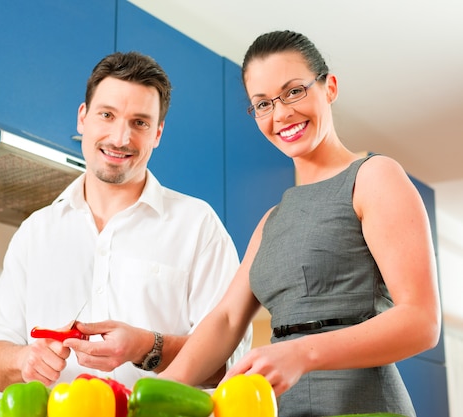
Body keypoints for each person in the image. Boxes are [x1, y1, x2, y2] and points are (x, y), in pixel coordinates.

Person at [158, 30, 441, 417]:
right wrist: (156, 392)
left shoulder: (374, 177)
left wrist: (301, 352)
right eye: (262, 104)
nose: (281, 114)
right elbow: (225, 320)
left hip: (365, 404)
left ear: (329, 88)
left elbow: (421, 320)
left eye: (293, 91)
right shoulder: (271, 221)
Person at [0, 51, 251, 391]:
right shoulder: (36, 232)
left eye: (140, 123)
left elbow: (230, 364)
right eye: (107, 115)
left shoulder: (198, 226)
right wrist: (23, 361)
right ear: (83, 117)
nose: (121, 138)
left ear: (158, 133)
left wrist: (146, 346)